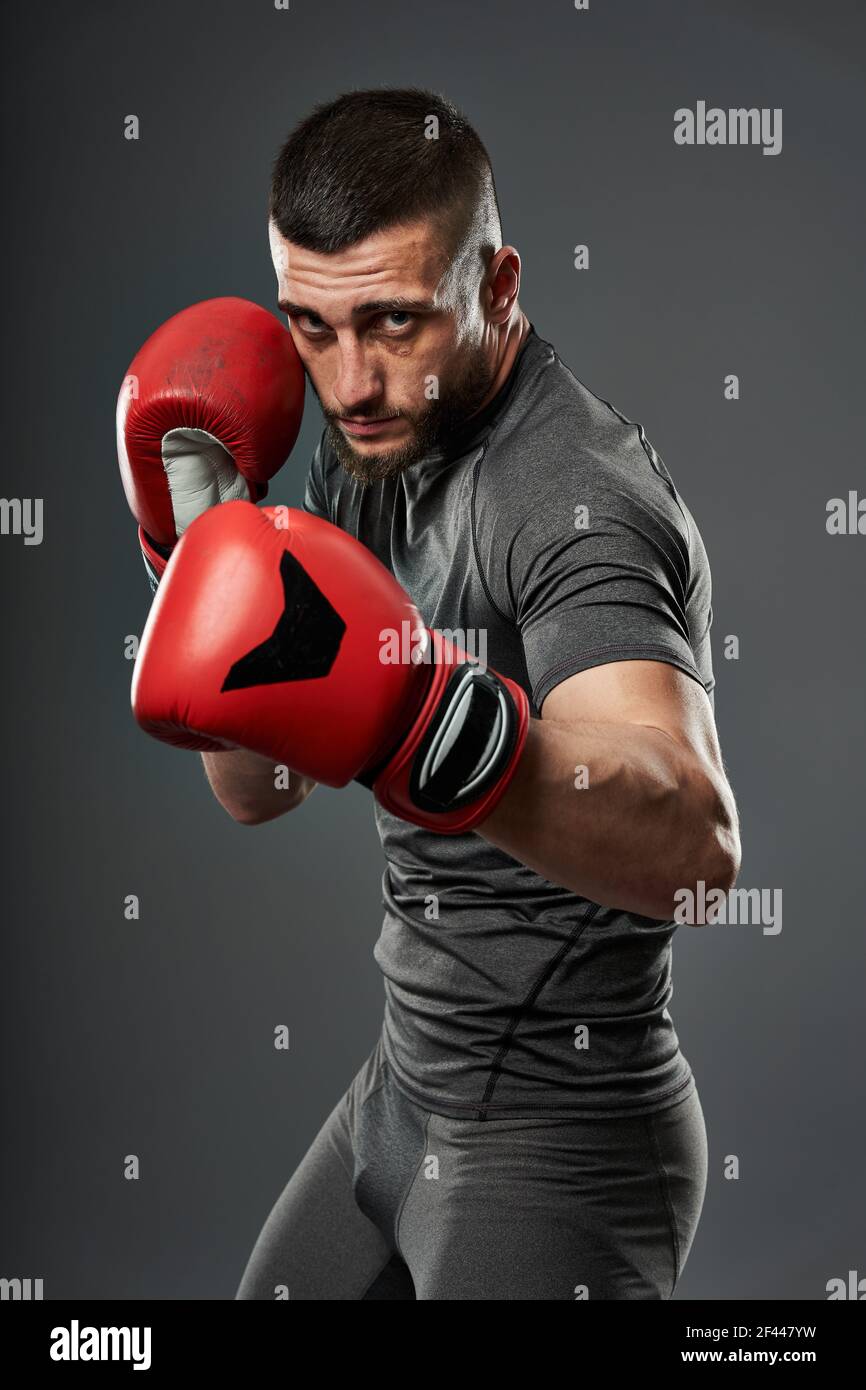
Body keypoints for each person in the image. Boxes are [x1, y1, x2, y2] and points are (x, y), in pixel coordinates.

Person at [124, 88, 740, 1300]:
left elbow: (697, 849)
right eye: (310, 325)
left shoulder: (571, 496)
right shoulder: (368, 450)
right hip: (400, 1091)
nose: (348, 381)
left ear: (497, 286)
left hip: (562, 1138)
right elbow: (261, 789)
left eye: (393, 322)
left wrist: (426, 727)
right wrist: (197, 544)